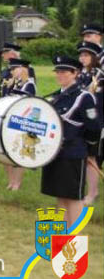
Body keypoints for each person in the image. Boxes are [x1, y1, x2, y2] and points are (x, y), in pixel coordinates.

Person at [42, 55, 100, 227]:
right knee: (60, 197)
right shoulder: (55, 97)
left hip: (73, 154)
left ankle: (75, 246)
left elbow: (94, 127)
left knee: (74, 199)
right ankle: (63, 244)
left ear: (75, 73)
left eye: (64, 72)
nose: (60, 75)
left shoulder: (84, 97)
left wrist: (90, 152)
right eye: (58, 71)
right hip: (55, 154)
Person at [76, 41, 103, 205]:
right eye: (81, 54)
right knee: (86, 158)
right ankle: (89, 190)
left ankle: (93, 193)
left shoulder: (99, 75)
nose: (82, 57)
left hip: (96, 121)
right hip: (81, 122)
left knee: (92, 158)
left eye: (86, 55)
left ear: (93, 57)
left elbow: (98, 102)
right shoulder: (82, 74)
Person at [4, 57, 36, 191]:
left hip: (23, 122)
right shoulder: (14, 84)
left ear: (23, 69)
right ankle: (11, 181)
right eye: (11, 69)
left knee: (20, 154)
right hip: (11, 120)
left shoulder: (29, 84)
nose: (12, 72)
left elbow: (25, 104)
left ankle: (17, 182)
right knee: (8, 153)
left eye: (15, 68)